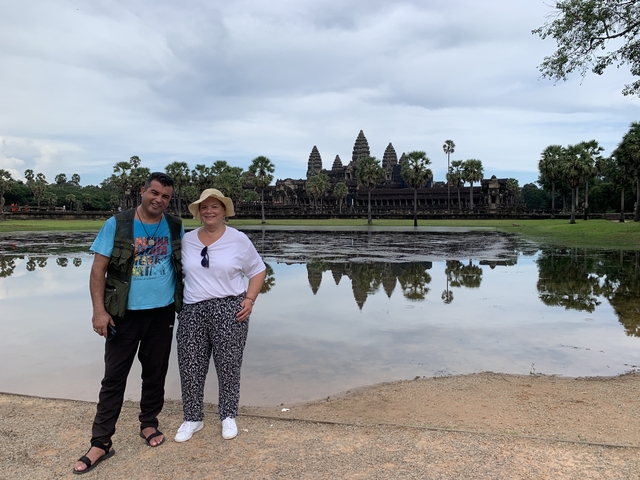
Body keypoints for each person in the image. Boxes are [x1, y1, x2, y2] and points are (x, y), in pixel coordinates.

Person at [73, 172, 184, 474]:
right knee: (114, 378)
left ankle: (148, 423)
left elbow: (189, 264)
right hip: (123, 313)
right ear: (143, 191)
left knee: (155, 372)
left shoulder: (175, 226)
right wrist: (99, 311)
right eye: (155, 193)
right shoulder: (118, 224)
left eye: (165, 197)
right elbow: (98, 270)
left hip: (162, 313)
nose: (159, 200)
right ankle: (101, 442)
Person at [174, 188, 266, 442]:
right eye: (204, 207)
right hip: (193, 309)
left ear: (224, 211)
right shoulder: (187, 240)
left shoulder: (238, 240)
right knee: (190, 365)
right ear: (198, 212)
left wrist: (249, 299)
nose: (209, 211)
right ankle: (192, 418)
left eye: (215, 207)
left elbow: (258, 271)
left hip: (229, 308)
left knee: (228, 366)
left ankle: (228, 415)